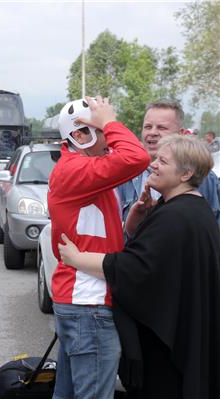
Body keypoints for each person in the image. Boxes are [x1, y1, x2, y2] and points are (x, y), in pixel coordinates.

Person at [58, 134, 220, 399]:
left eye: (162, 161)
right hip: (183, 337)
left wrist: (76, 258)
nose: (153, 165)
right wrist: (137, 218)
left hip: (167, 353)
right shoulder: (188, 208)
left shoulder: (177, 216)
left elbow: (134, 268)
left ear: (186, 173)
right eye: (156, 159)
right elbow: (157, 257)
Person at [47, 96, 150, 399]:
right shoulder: (75, 170)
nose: (109, 137)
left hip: (82, 303)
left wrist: (132, 221)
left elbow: (99, 233)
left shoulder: (81, 169)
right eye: (101, 130)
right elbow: (136, 157)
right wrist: (109, 119)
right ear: (79, 134)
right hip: (87, 305)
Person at [117, 100, 220, 227]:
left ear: (180, 134)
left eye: (161, 127)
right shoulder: (123, 174)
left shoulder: (205, 178)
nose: (152, 132)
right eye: (148, 127)